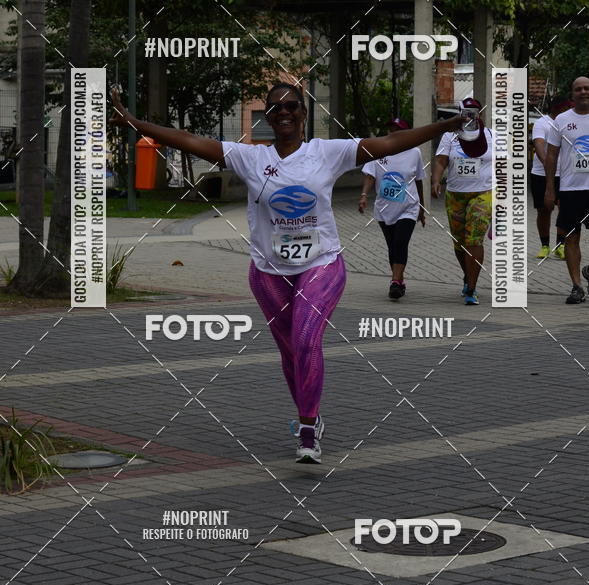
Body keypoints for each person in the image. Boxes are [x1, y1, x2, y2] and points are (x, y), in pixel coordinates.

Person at [110, 83, 465, 464]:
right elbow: (189, 140)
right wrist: (134, 122)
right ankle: (310, 415)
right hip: (269, 271)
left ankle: (308, 429)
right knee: (290, 351)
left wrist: (445, 127)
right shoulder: (250, 157)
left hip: (321, 263)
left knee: (306, 338)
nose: (284, 112)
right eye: (275, 107)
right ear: (267, 115)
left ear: (303, 113)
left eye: (292, 106)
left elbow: (390, 143)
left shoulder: (326, 152)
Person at [431, 98, 494, 306]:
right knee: (459, 242)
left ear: (480, 113)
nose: (470, 115)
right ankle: (468, 276)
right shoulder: (450, 136)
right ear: (459, 114)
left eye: (474, 111)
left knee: (473, 239)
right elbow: (441, 160)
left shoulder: (492, 135)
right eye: (466, 112)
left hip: (483, 193)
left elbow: (503, 165)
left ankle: (472, 288)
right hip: (456, 195)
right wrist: (435, 180)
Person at [545, 76, 589, 304]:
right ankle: (577, 286)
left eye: (587, 88)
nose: (583, 92)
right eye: (578, 89)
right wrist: (550, 187)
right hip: (570, 189)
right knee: (571, 237)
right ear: (573, 94)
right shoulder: (561, 120)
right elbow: (551, 155)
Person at [358, 117, 425, 299]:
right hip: (384, 208)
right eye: (391, 129)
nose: (393, 133)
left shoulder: (415, 152)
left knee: (401, 242)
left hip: (408, 207)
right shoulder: (378, 150)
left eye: (397, 129)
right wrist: (364, 195)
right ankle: (399, 280)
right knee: (392, 245)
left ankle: (394, 281)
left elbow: (418, 180)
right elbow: (370, 176)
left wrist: (421, 207)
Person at [531, 96, 570, 260]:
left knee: (565, 210)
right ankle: (545, 246)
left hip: (565, 174)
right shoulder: (542, 123)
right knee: (544, 210)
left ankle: (561, 245)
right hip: (541, 174)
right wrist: (547, 164)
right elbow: (539, 144)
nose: (569, 111)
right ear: (557, 108)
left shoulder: (569, 123)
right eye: (566, 108)